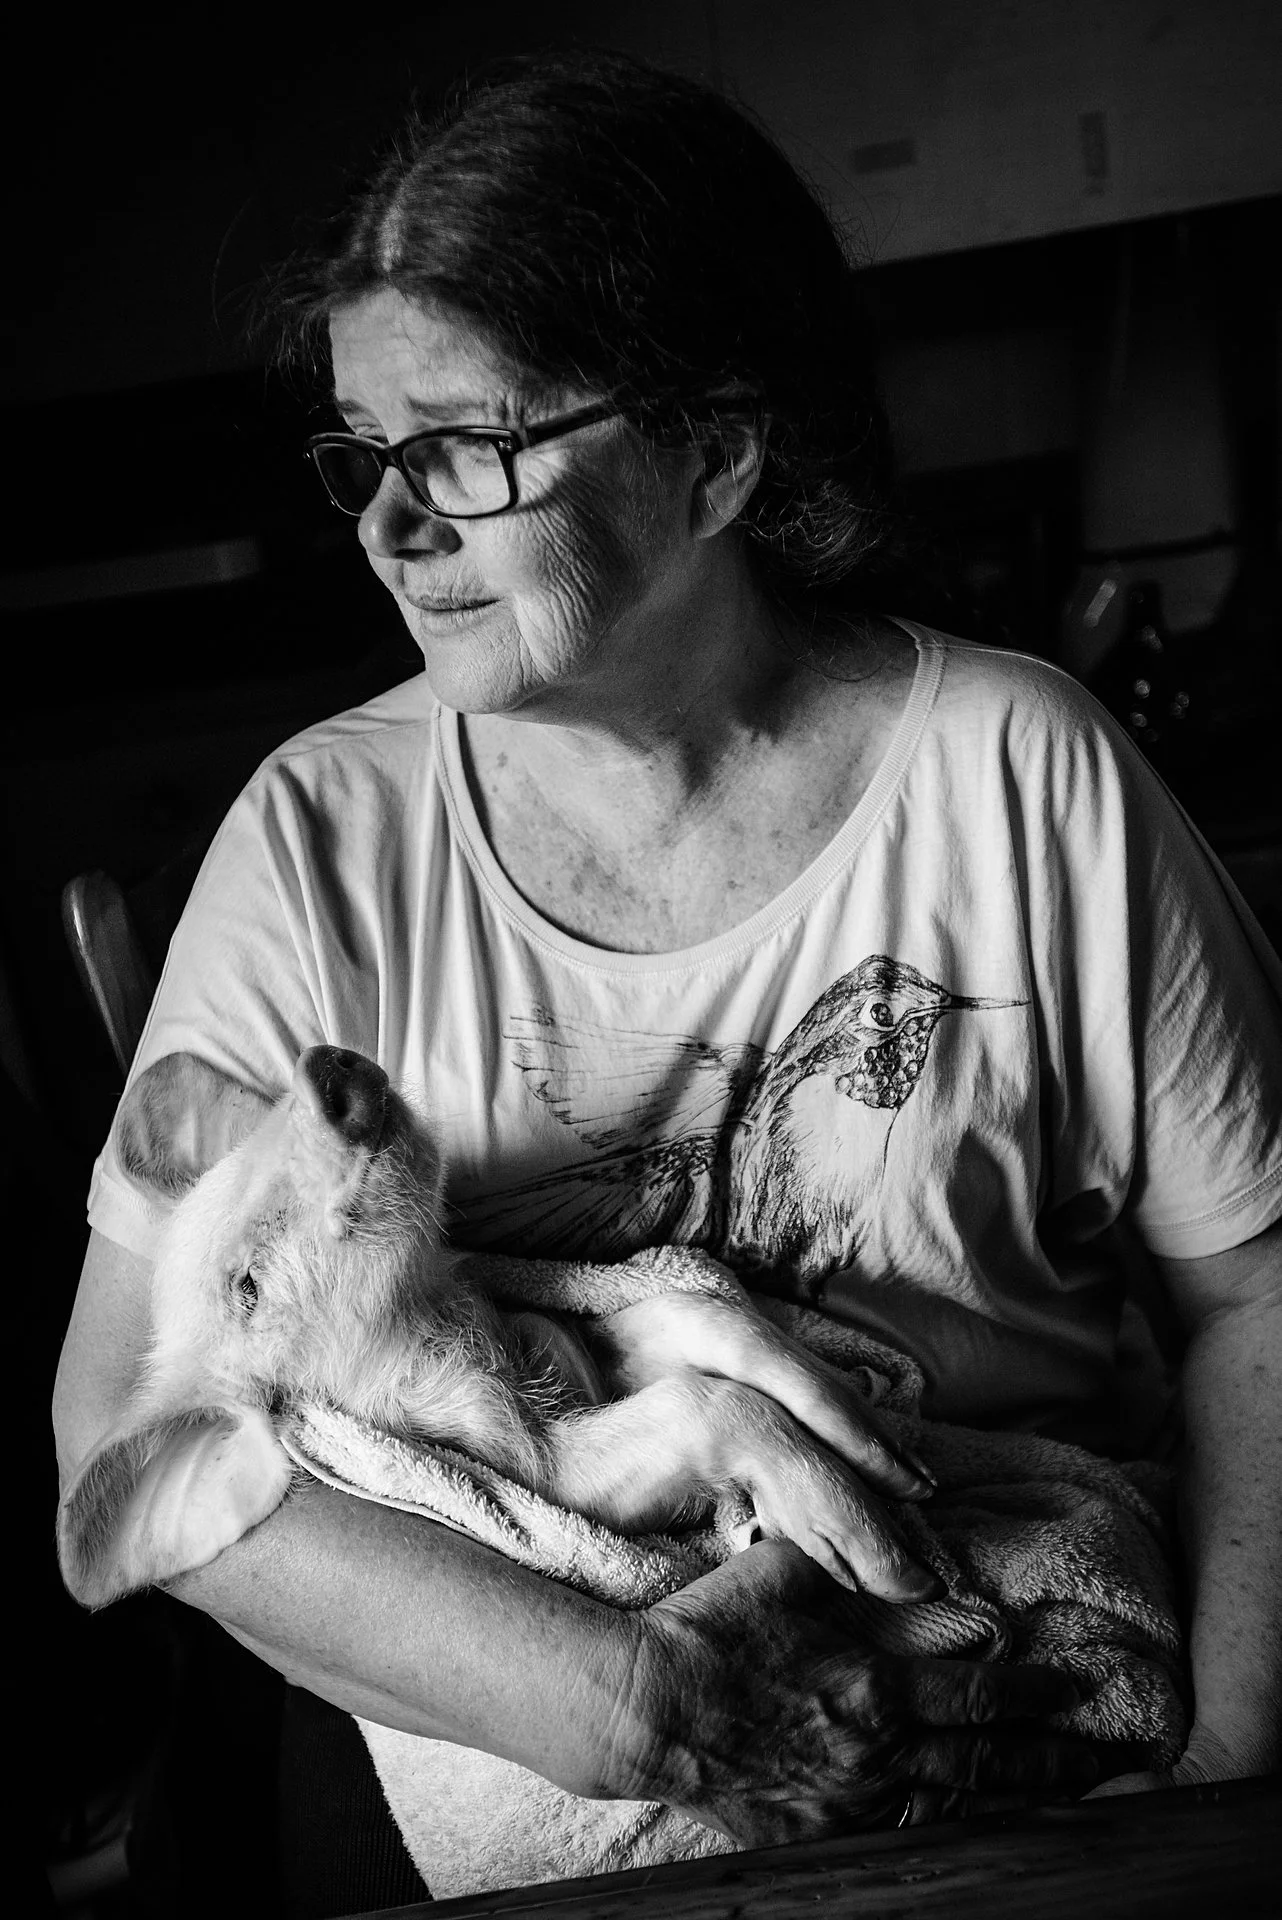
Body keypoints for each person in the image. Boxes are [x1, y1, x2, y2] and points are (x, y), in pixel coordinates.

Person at [53, 45, 1280, 1914]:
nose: (390, 528)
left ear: (713, 453)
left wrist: (1209, 1800)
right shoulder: (318, 835)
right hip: (518, 1730)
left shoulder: (1020, 774)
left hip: (1007, 1686)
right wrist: (635, 1705)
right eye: (363, 457)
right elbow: (117, 1440)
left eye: (465, 447)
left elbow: (1255, 1311)